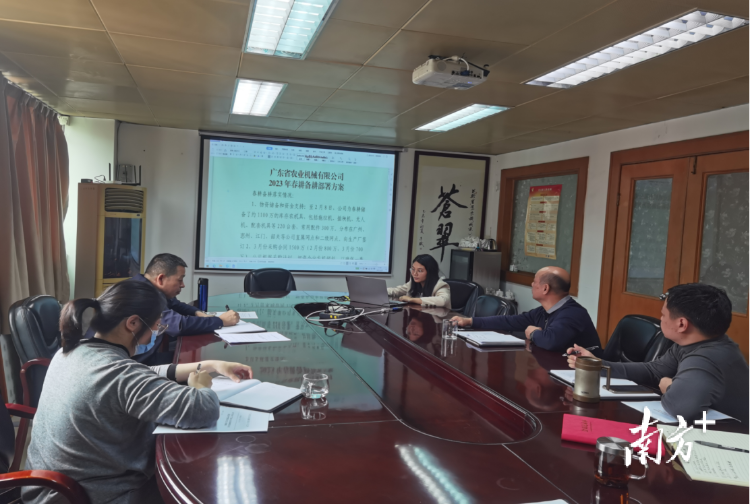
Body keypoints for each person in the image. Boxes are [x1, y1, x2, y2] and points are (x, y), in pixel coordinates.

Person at [23, 280, 253, 504]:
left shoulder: (72, 351)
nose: (155, 334)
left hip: (48, 487)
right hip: (91, 494)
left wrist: (210, 365)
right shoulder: (118, 374)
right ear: (132, 323)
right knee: (202, 481)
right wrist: (201, 386)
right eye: (156, 326)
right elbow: (203, 409)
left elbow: (143, 373)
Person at [566, 283, 749, 424]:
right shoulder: (697, 343)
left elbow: (681, 408)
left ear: (682, 324)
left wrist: (668, 385)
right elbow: (654, 370)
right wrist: (597, 364)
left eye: (663, 315)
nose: (661, 319)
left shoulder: (706, 359)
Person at [451, 266, 600, 352]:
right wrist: (470, 321)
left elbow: (550, 341)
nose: (531, 285)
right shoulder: (543, 311)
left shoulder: (572, 314)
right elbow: (509, 321)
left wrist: (533, 333)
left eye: (535, 282)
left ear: (545, 288)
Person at [128, 253, 240, 363]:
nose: (183, 285)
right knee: (203, 361)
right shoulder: (142, 294)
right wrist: (221, 321)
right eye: (180, 280)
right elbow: (178, 325)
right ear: (161, 279)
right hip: (140, 363)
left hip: (149, 353)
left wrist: (198, 313)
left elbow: (176, 304)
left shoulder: (144, 285)